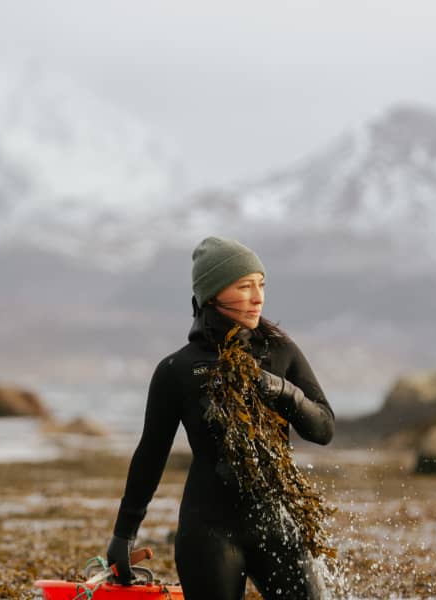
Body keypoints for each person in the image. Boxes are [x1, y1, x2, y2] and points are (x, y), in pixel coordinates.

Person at [106, 236, 335, 600]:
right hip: (208, 534)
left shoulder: (280, 351)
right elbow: (151, 455)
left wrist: (280, 390)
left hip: (277, 525)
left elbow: (323, 427)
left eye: (261, 285)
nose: (258, 297)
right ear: (212, 295)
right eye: (244, 286)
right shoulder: (176, 369)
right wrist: (123, 535)